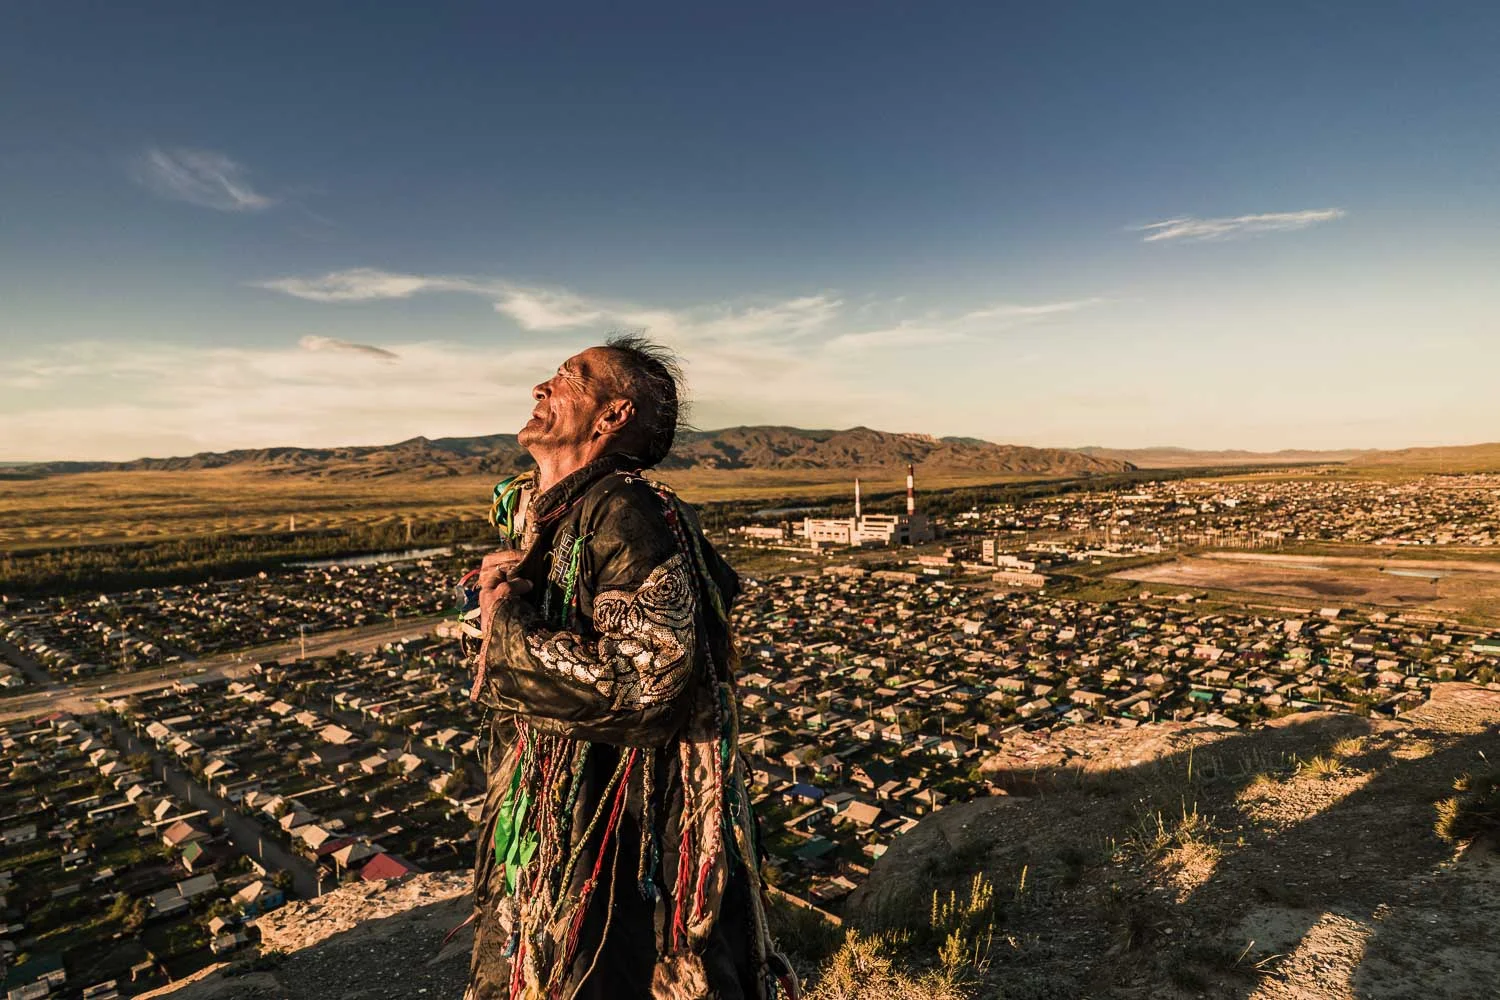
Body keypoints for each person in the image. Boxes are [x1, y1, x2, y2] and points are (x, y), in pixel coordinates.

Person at [464, 336, 795, 1000]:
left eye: (567, 379)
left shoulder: (630, 514)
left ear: (613, 417)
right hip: (561, 811)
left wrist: (505, 622)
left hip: (618, 825)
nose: (540, 388)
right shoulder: (553, 515)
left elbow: (647, 686)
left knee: (606, 969)